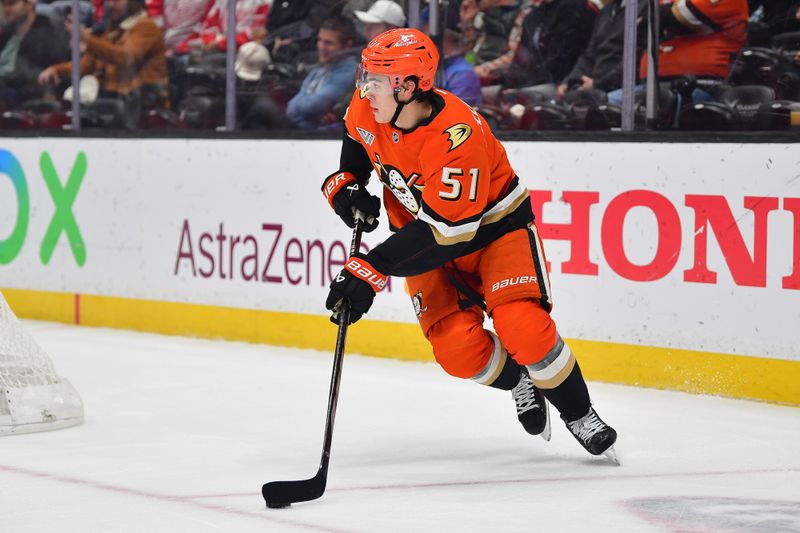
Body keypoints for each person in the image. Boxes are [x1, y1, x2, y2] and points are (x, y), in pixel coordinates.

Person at [321, 28, 618, 460]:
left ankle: (579, 413)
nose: (365, 88)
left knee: (523, 328)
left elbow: (448, 233)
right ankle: (520, 380)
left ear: (407, 86)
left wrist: (372, 267)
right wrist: (347, 185)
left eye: (377, 79)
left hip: (494, 232)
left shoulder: (457, 135)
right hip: (423, 238)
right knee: (458, 351)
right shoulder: (370, 107)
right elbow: (358, 144)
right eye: (365, 75)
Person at [38, 0, 167, 127]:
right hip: (112, 96)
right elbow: (85, 65)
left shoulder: (146, 26)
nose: (110, 4)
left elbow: (126, 57)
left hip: (138, 101)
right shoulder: (113, 30)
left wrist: (86, 38)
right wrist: (56, 70)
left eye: (116, 1)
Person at [556, 0, 647, 100]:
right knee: (554, 106)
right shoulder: (606, 10)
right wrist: (569, 82)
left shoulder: (645, 8)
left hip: (624, 87)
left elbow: (634, 62)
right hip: (596, 86)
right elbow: (589, 56)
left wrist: (598, 84)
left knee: (595, 107)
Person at [285, 14, 358, 130]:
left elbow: (311, 107)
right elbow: (290, 109)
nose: (321, 47)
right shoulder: (317, 71)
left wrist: (309, 111)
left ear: (347, 45)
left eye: (329, 43)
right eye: (320, 40)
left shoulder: (349, 73)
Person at [0, 0, 68, 108]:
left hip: (20, 93)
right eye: (4, 5)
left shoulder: (46, 35)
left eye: (12, 3)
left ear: (30, 4)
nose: (7, 9)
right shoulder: (6, 34)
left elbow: (37, 75)